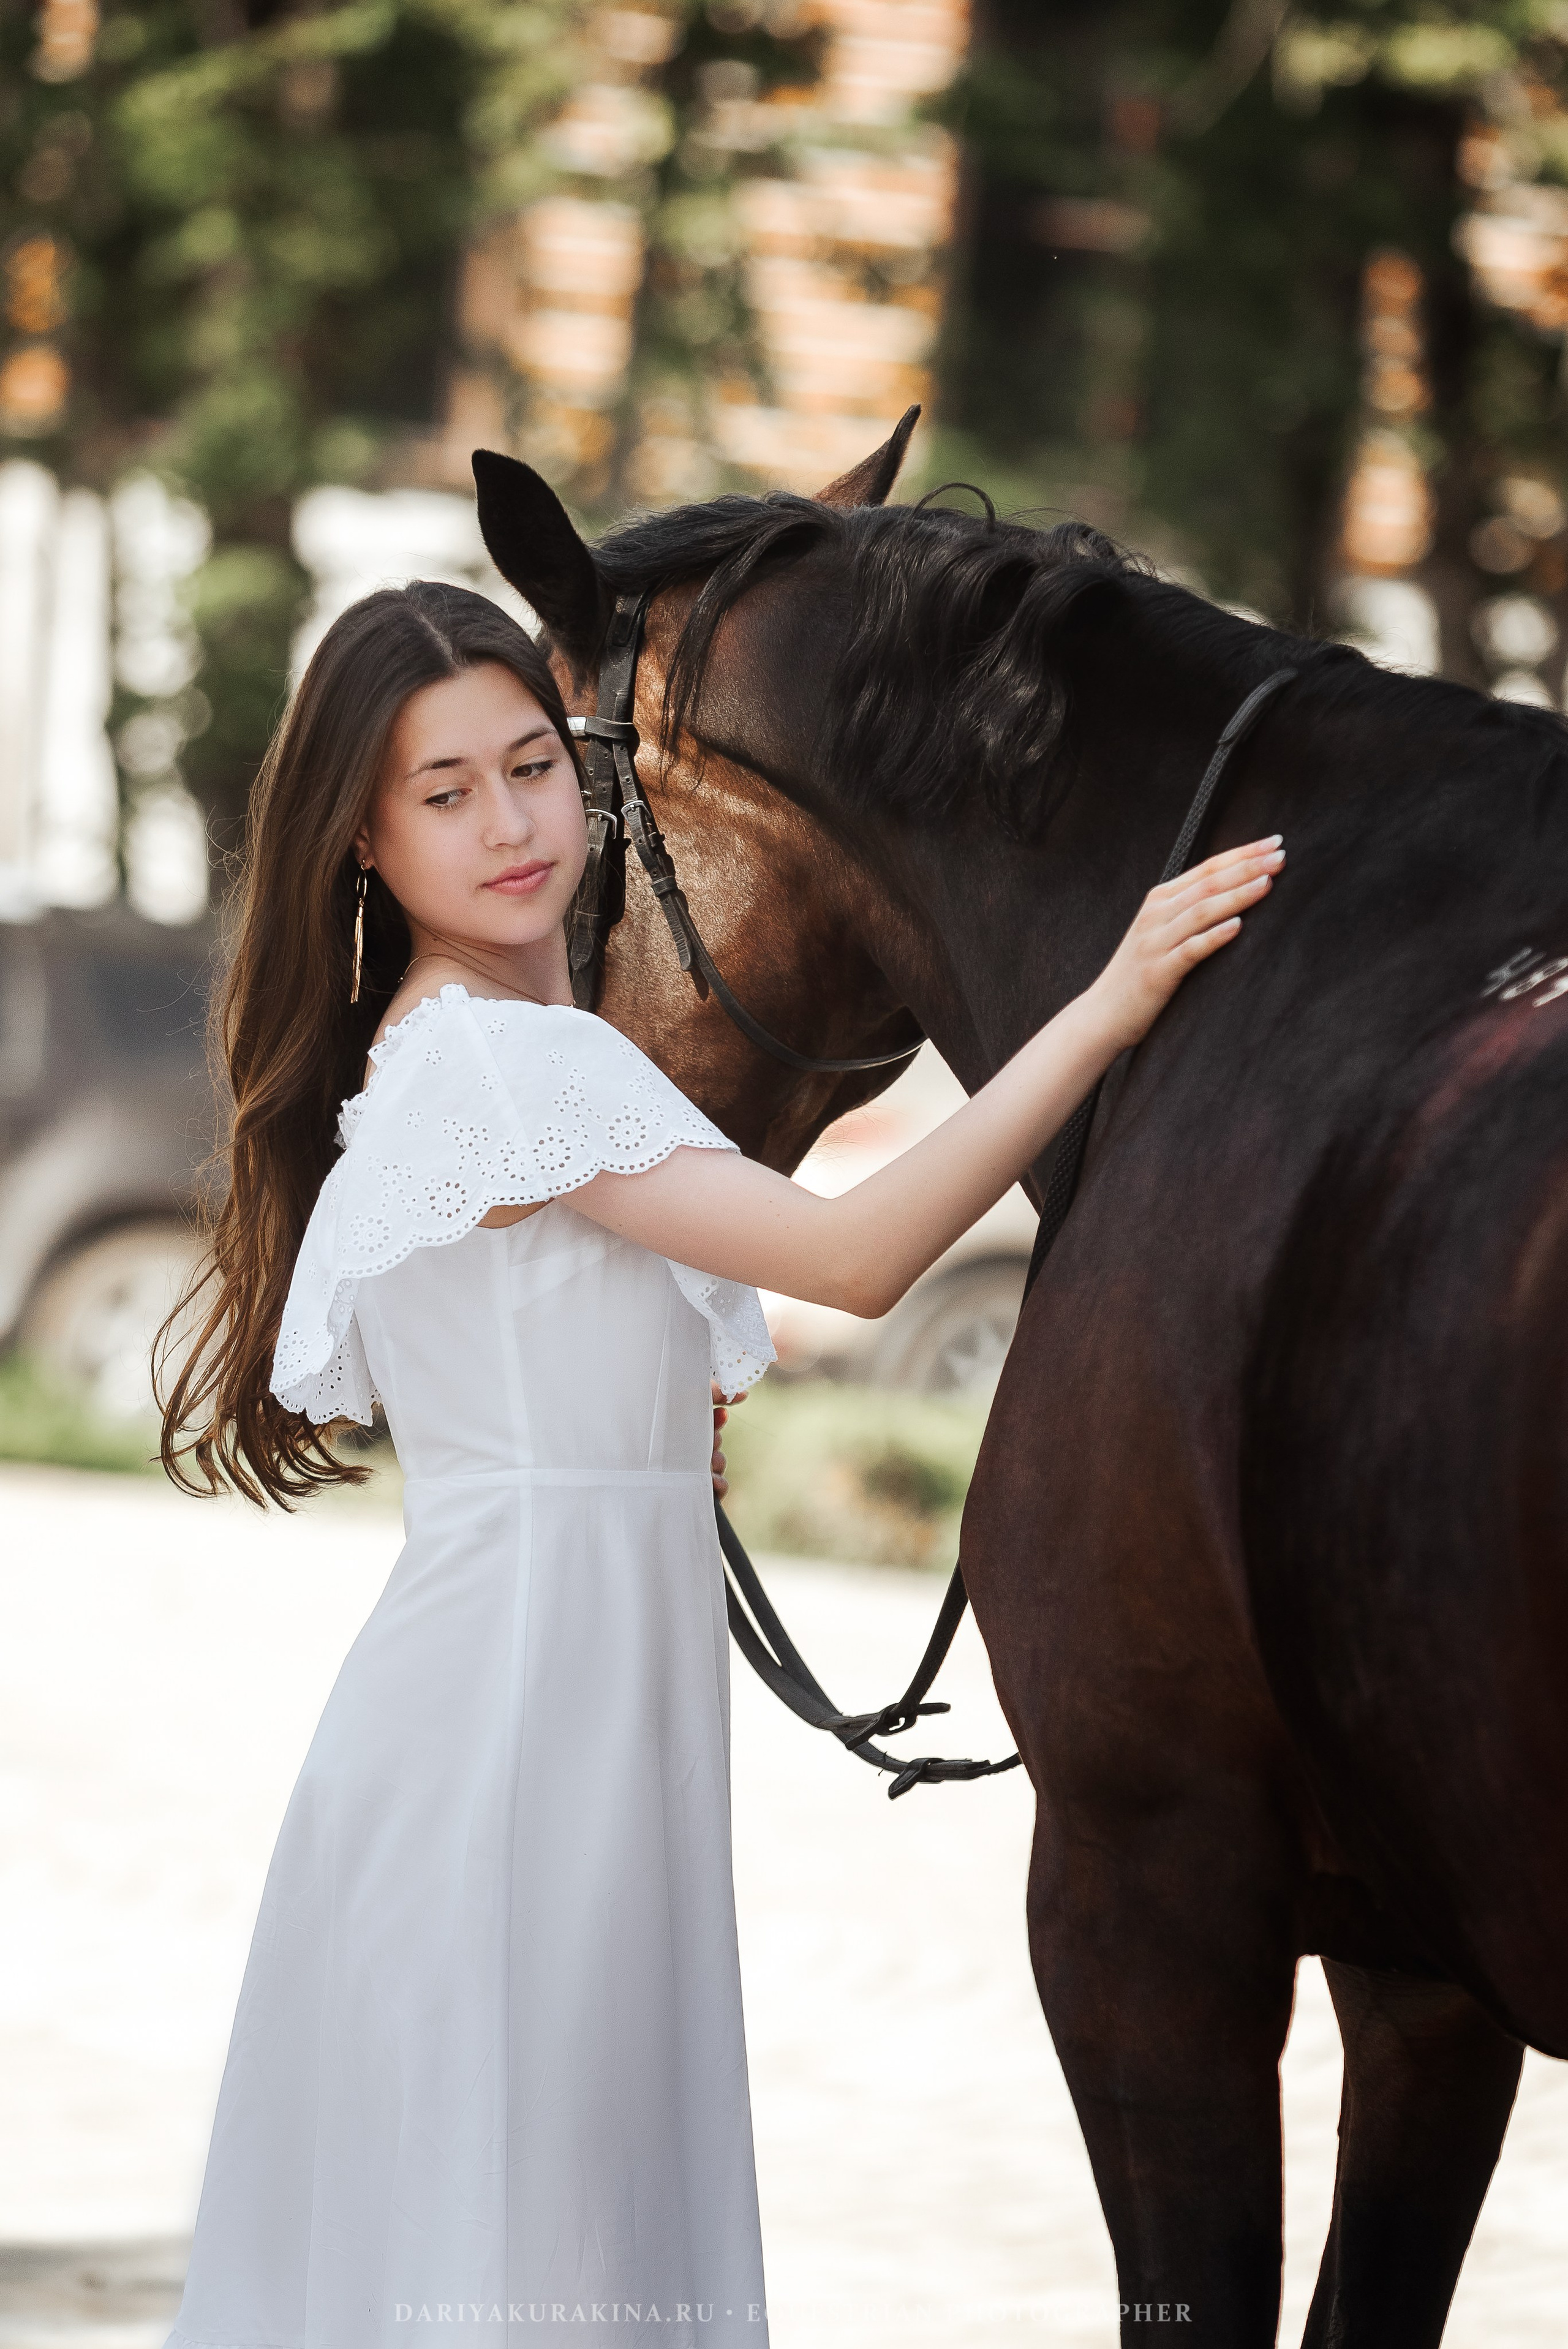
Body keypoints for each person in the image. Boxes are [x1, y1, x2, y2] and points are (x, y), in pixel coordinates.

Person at [156, 579, 1284, 2349]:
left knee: (532, 2226)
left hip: (544, 1698)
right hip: (519, 1730)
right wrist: (1105, 1002)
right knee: (536, 2238)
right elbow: (853, 1259)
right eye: (445, 792)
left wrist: (635, 1420)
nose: (512, 822)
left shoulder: (478, 1049)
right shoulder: (506, 1065)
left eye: (534, 764)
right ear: (363, 839)